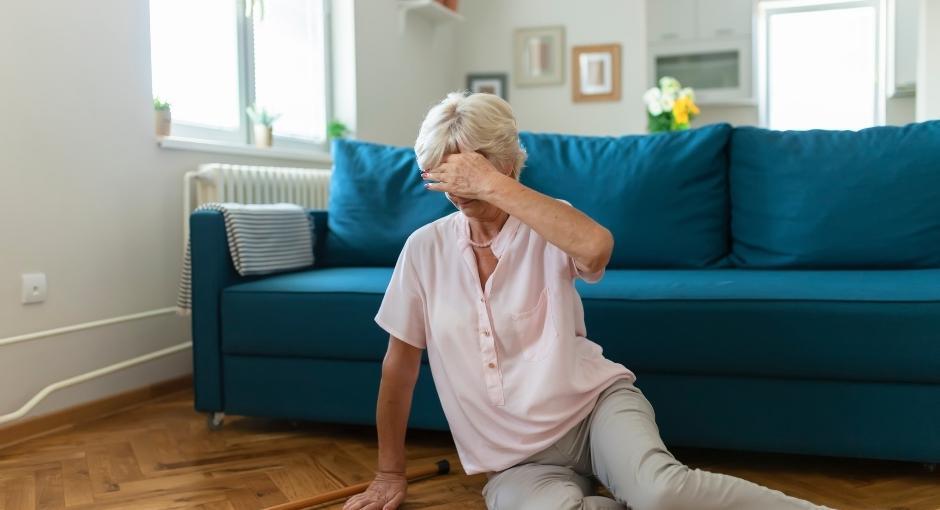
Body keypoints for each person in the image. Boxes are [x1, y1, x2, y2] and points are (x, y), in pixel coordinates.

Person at [342, 91, 831, 510]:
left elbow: (597, 249)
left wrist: (492, 184)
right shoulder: (424, 249)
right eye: (443, 173)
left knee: (661, 493)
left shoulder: (549, 222)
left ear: (507, 164)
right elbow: (398, 368)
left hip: (594, 412)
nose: (457, 187)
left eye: (468, 170)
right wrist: (390, 472)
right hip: (512, 460)